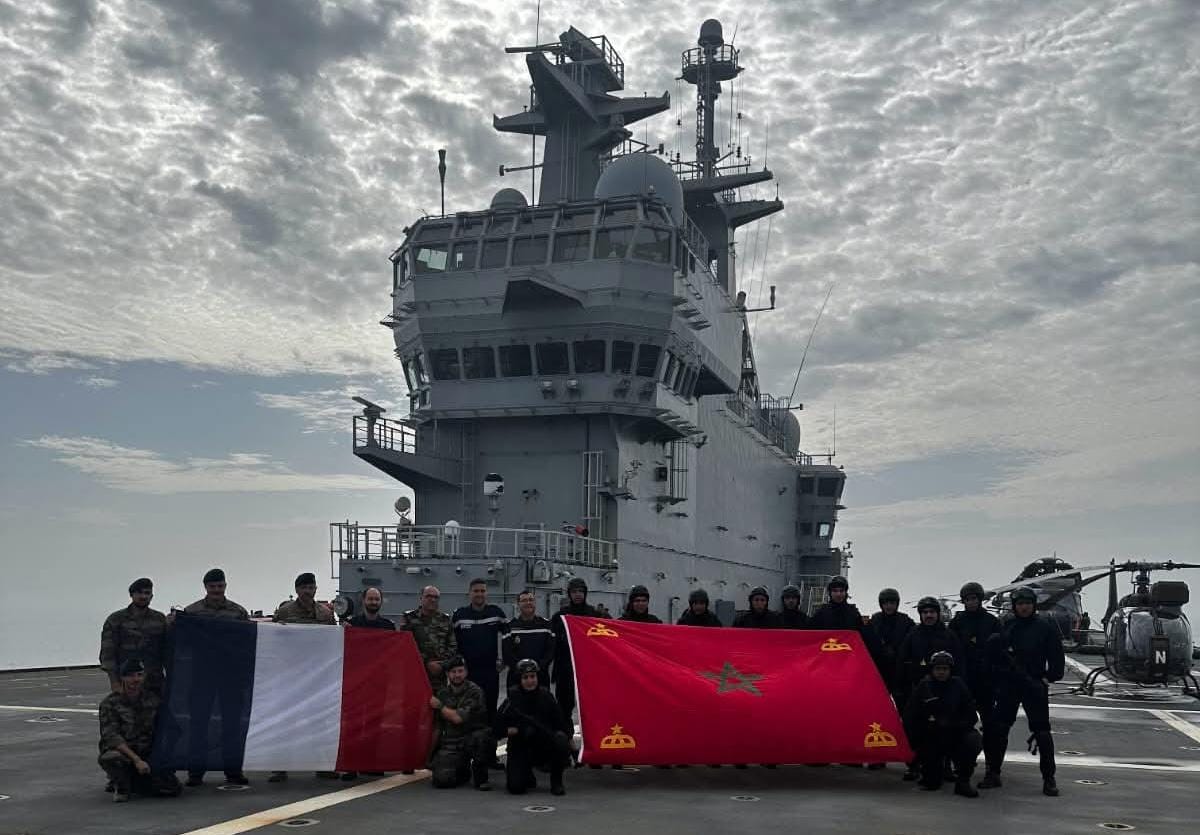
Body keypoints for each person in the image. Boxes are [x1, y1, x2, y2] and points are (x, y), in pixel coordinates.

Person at [980, 586, 1064, 796]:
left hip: (1034, 685)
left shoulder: (1045, 628)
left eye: (1027, 604)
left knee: (1042, 732)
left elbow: (1056, 659)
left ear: (1033, 605)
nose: (1024, 607)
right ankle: (993, 772)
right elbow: (993, 656)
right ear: (1015, 606)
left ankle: (1049, 778)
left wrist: (1048, 677)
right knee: (999, 729)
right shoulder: (1007, 627)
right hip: (1009, 685)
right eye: (1020, 604)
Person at [182, 568, 250, 787]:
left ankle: (233, 771)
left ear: (225, 586)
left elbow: (247, 644)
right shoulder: (192, 613)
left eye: (220, 586)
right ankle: (195, 772)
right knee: (198, 725)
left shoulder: (238, 612)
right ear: (206, 587)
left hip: (231, 678)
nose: (216, 590)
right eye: (212, 587)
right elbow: (183, 646)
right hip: (202, 677)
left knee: (232, 725)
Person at [269, 572, 337, 783]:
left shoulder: (325, 614)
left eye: (311, 587)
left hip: (315, 676)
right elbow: (272, 641)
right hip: (290, 676)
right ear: (297, 590)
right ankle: (279, 767)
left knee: (319, 722)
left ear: (316, 589)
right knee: (285, 722)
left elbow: (332, 642)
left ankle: (323, 766)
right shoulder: (284, 612)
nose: (308, 591)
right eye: (304, 588)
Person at [98, 659, 181, 802]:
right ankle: (121, 784)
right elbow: (112, 737)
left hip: (148, 753)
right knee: (111, 757)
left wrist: (164, 754)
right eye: (130, 675)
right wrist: (136, 760)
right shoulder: (110, 704)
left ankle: (137, 782)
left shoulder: (152, 700)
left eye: (139, 675)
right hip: (125, 754)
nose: (135, 680)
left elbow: (173, 729)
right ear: (122, 678)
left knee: (171, 790)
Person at [901, 651, 982, 798]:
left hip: (955, 733)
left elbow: (971, 715)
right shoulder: (924, 686)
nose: (941, 672)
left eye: (945, 669)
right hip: (930, 736)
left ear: (950, 670)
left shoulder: (958, 685)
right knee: (932, 783)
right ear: (932, 670)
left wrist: (954, 724)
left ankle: (963, 781)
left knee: (973, 740)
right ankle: (922, 769)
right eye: (938, 669)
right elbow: (910, 714)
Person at [948, 581, 1001, 783]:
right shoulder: (957, 623)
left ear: (980, 600)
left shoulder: (992, 622)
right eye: (968, 599)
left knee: (991, 727)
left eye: (974, 599)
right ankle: (958, 764)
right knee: (958, 725)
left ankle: (992, 770)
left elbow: (1000, 652)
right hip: (963, 683)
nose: (971, 603)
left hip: (986, 683)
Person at [451, 578, 507, 767]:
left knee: (490, 714)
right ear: (470, 593)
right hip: (468, 675)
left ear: (486, 593)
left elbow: (508, 637)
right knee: (468, 715)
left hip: (490, 673)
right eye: (476, 591)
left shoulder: (496, 613)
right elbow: (453, 644)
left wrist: (504, 660)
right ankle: (465, 757)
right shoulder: (459, 615)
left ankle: (490, 756)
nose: (480, 594)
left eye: (482, 591)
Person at [496, 659, 571, 796]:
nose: (530, 681)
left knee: (560, 739)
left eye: (533, 677)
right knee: (516, 788)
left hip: (542, 745)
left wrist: (566, 742)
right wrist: (508, 731)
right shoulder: (512, 700)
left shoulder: (546, 697)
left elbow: (561, 723)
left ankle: (556, 782)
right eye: (525, 678)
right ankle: (526, 773)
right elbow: (496, 727)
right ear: (519, 679)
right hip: (520, 746)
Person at [428, 656, 493, 791]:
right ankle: (462, 770)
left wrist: (440, 706)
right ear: (447, 674)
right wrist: (429, 755)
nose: (457, 675)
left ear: (466, 672)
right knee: (441, 780)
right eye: (453, 672)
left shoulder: (475, 691)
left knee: (482, 738)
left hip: (472, 739)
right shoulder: (442, 693)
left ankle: (481, 777)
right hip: (452, 742)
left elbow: (458, 718)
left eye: (460, 671)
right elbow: (438, 727)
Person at [100, 578, 168, 695]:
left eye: (147, 593)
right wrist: (114, 683)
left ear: (152, 596)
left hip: (154, 681)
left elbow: (167, 650)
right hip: (126, 681)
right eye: (139, 593)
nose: (143, 596)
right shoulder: (116, 620)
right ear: (131, 595)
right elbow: (108, 654)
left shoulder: (160, 619)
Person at [550, 577, 598, 727]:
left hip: (589, 670)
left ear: (585, 593)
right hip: (566, 670)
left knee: (591, 710)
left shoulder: (594, 615)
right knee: (564, 709)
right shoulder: (560, 617)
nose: (578, 595)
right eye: (574, 591)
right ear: (569, 594)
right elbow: (553, 644)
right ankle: (567, 740)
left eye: (580, 591)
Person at [869, 587, 916, 708]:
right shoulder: (875, 620)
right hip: (879, 672)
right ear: (881, 604)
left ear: (897, 604)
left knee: (902, 706)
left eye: (892, 603)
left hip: (899, 672)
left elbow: (912, 643)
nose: (889, 606)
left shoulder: (905, 621)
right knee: (877, 706)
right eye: (885, 603)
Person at [404, 585, 458, 687]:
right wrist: (426, 663)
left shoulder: (445, 620)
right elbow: (406, 647)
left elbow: (452, 646)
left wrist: (442, 665)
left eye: (436, 597)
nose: (432, 600)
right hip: (416, 673)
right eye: (428, 596)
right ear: (421, 598)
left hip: (439, 676)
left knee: (439, 702)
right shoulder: (409, 619)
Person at [502, 591, 555, 689]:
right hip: (516, 679)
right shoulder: (509, 626)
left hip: (541, 677)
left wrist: (537, 668)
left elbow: (550, 651)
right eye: (524, 600)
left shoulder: (546, 625)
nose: (528, 603)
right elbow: (507, 653)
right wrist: (522, 670)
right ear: (518, 604)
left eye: (531, 600)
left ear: (535, 603)